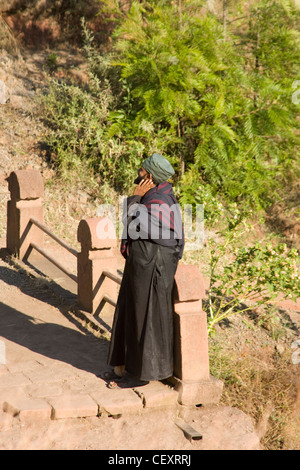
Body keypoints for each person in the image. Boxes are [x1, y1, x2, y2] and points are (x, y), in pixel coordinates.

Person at [104, 153, 184, 388]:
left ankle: (138, 376)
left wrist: (134, 199)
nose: (138, 172)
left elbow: (134, 225)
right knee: (133, 313)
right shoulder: (160, 195)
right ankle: (126, 366)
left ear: (149, 176)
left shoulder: (157, 200)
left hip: (152, 264)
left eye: (141, 170)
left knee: (144, 317)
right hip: (146, 262)